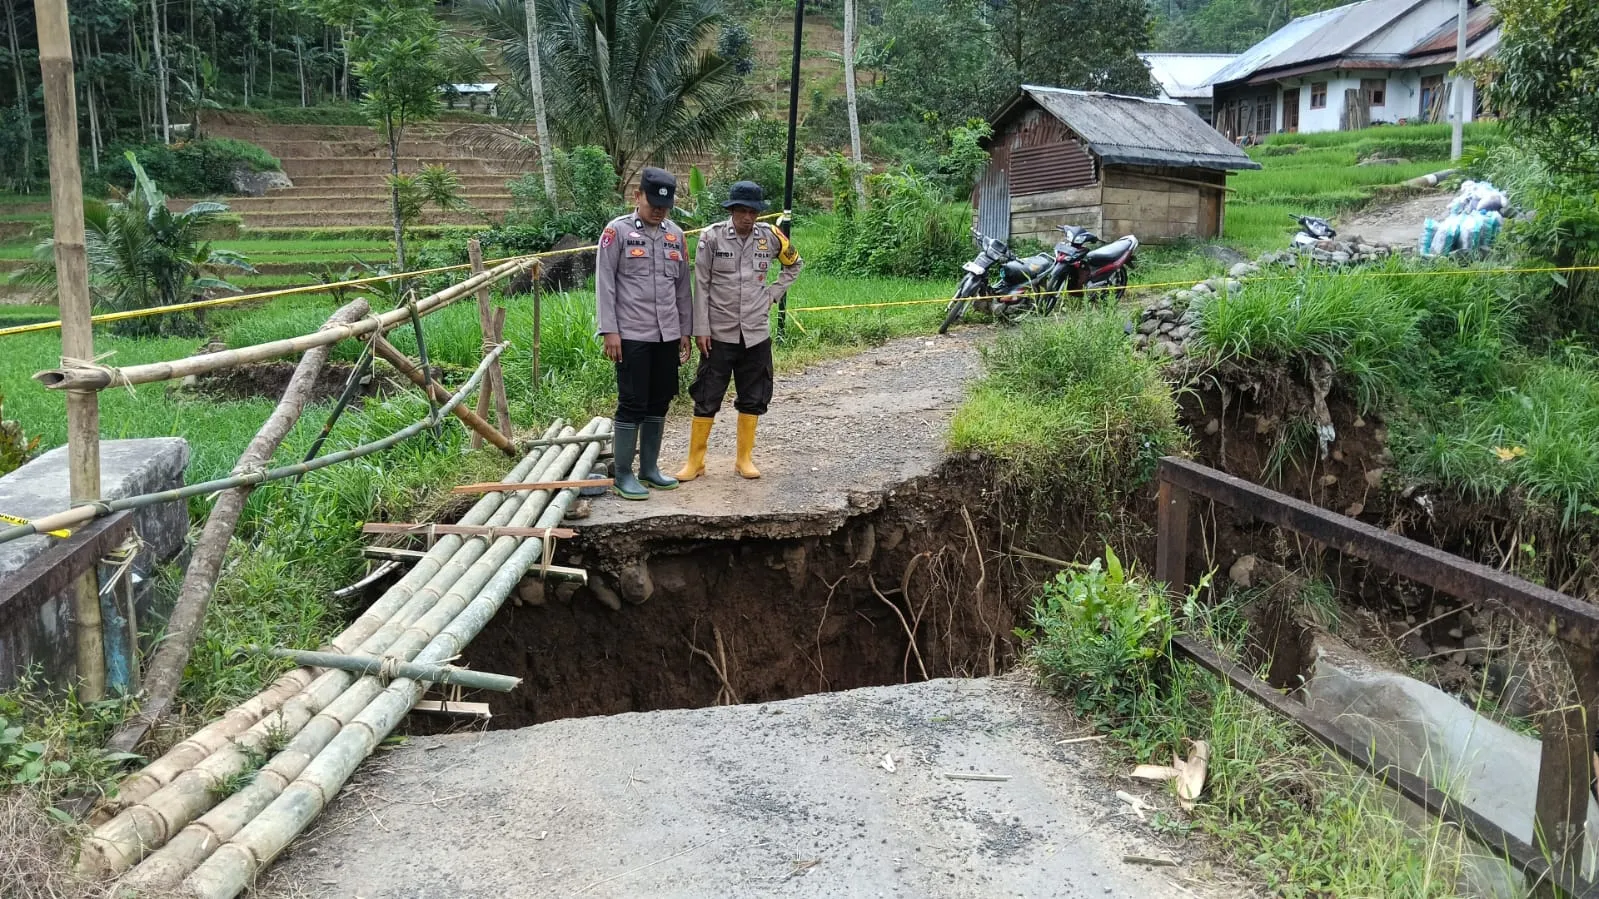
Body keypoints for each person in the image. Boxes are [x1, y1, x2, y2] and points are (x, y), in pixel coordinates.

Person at [676, 181, 803, 482]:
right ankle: (695, 462)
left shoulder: (771, 238)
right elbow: (702, 285)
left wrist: (773, 294)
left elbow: (795, 265)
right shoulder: (712, 237)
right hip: (719, 331)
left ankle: (743, 459)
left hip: (755, 332)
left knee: (754, 394)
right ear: (731, 210)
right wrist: (700, 329)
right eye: (742, 211)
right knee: (707, 393)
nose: (748, 217)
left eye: (753, 212)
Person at [595, 166, 693, 501]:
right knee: (632, 402)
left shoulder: (675, 235)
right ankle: (623, 474)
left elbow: (683, 288)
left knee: (660, 401)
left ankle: (649, 469)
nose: (659, 211)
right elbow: (605, 284)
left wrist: (685, 331)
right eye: (653, 204)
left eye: (665, 207)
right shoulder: (616, 232)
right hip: (631, 333)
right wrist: (609, 330)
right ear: (637, 196)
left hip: (667, 333)